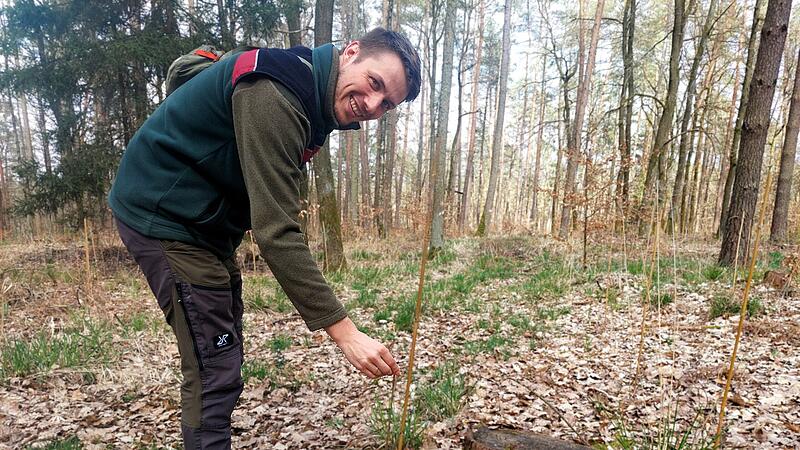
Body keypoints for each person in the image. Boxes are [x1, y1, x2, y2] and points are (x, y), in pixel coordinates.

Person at [108, 28, 421, 449]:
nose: (372, 106)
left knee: (222, 353)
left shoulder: (307, 90)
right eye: (374, 84)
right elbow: (276, 231)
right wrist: (344, 331)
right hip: (165, 216)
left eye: (387, 105)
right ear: (351, 53)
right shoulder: (280, 93)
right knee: (213, 369)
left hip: (206, 226)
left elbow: (197, 76)